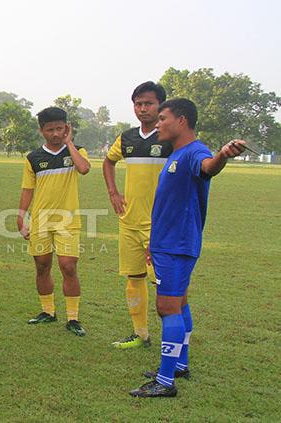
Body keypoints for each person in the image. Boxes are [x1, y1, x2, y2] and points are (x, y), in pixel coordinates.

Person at [130, 99, 246, 397]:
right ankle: (179, 364)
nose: (157, 124)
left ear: (181, 121)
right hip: (167, 244)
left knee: (166, 307)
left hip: (177, 244)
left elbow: (208, 168)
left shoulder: (196, 152)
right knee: (179, 302)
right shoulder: (176, 153)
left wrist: (222, 154)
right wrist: (153, 245)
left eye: (163, 118)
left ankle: (165, 382)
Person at [103, 82, 172, 349]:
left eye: (149, 103)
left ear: (161, 106)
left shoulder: (169, 137)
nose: (143, 109)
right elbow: (109, 162)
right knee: (134, 278)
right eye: (138, 103)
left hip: (160, 225)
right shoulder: (127, 138)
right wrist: (113, 193)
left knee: (165, 285)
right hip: (129, 221)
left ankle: (172, 340)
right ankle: (140, 333)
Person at [18, 107, 90, 336]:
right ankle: (48, 311)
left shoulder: (77, 151)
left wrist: (70, 143)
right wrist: (21, 217)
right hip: (40, 221)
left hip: (68, 221)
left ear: (66, 127)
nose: (56, 133)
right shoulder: (33, 158)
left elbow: (84, 169)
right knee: (42, 266)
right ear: (42, 131)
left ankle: (73, 318)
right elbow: (27, 190)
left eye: (60, 128)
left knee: (68, 266)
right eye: (50, 130)